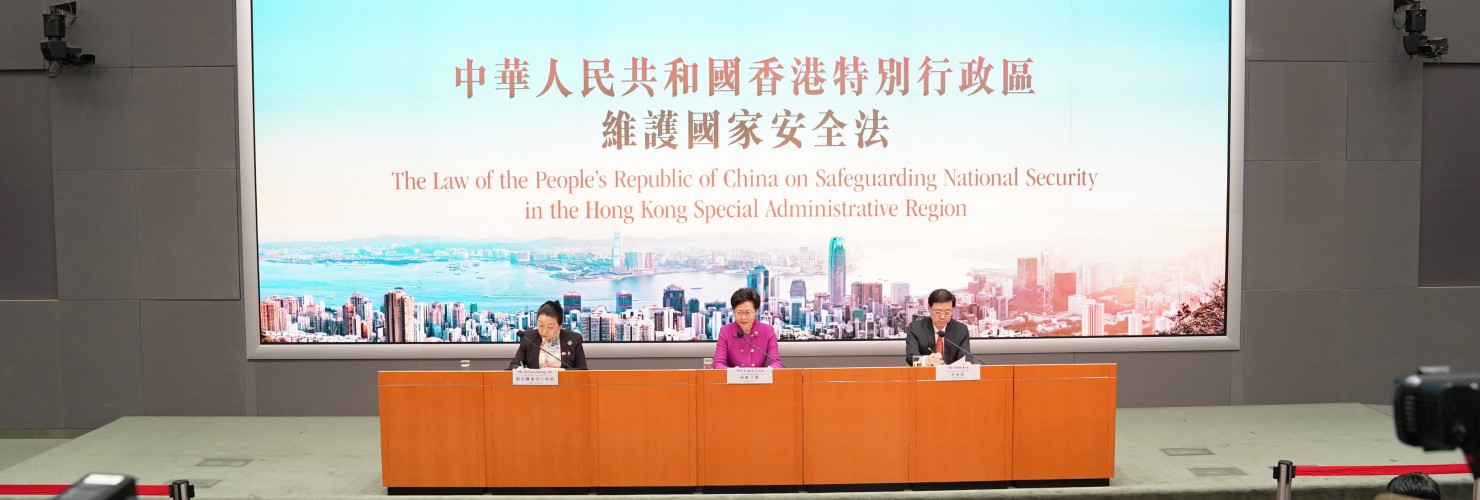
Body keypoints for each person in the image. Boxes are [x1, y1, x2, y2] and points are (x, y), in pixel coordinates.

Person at [713, 287, 782, 368]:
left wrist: (768, 371)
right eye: (739, 312)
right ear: (733, 311)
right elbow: (718, 363)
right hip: (733, 379)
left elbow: (776, 362)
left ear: (756, 311)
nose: (743, 317)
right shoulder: (725, 331)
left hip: (760, 379)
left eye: (748, 312)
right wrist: (733, 373)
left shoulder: (767, 331)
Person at [507, 300, 587, 370]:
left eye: (550, 327)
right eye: (541, 325)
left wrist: (561, 372)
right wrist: (519, 369)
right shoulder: (528, 337)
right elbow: (514, 365)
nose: (544, 331)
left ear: (560, 326)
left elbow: (582, 370)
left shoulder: (574, 339)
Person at [904, 289, 972, 366]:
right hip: (925, 376)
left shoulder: (961, 330)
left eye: (947, 312)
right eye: (938, 312)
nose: (942, 317)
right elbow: (910, 358)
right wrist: (927, 360)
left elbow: (966, 357)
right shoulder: (916, 328)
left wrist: (967, 365)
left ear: (953, 309)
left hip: (952, 376)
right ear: (929, 309)